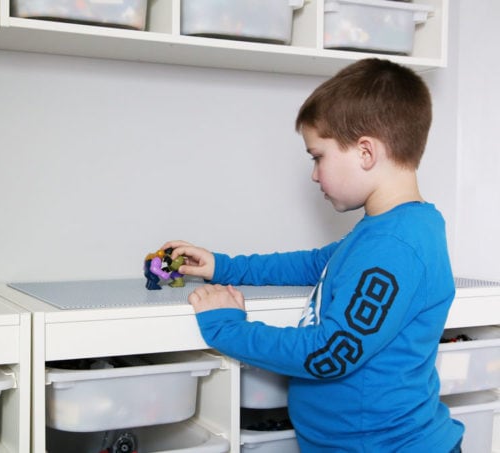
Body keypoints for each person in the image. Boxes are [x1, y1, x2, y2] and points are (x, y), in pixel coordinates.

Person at [163, 58, 464, 452]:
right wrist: (224, 266)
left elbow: (328, 352)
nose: (314, 174)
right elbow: (315, 263)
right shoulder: (387, 232)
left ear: (366, 152)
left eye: (318, 156)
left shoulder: (396, 246)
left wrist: (228, 329)